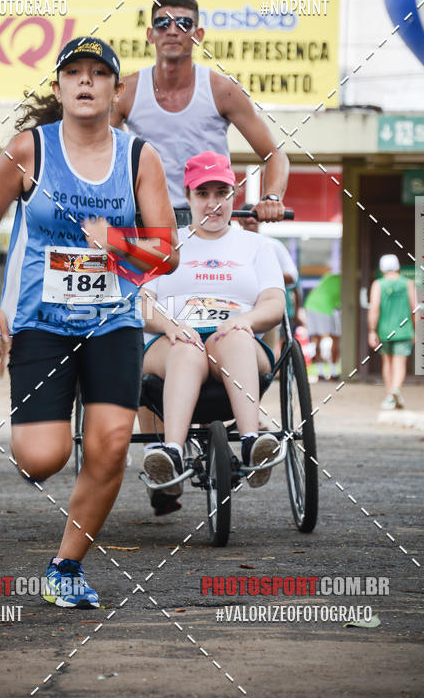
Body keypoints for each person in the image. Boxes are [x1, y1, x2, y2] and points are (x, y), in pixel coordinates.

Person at [0, 37, 178, 609]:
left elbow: (166, 253)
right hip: (42, 321)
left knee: (111, 446)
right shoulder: (27, 150)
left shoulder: (140, 157)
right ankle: (46, 446)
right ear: (60, 88)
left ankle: (67, 564)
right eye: (75, 73)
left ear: (115, 90)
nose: (86, 82)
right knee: (43, 457)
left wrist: (113, 241)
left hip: (113, 322)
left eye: (98, 74)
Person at [139, 151, 285, 516]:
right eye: (203, 193)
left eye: (222, 192)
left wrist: (247, 321)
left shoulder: (258, 246)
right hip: (173, 340)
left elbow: (273, 302)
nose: (214, 203)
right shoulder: (165, 245)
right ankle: (172, 452)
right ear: (188, 198)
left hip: (236, 340)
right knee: (186, 348)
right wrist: (171, 326)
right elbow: (142, 303)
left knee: (234, 335)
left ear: (233, 195)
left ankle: (252, 442)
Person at [110, 0, 289, 224]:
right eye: (162, 23)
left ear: (198, 35)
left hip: (208, 221)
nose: (172, 31)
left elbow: (275, 154)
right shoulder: (126, 91)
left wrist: (271, 197)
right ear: (150, 34)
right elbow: (92, 152)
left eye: (184, 24)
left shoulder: (223, 90)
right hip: (148, 220)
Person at [237, 201, 298, 359]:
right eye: (247, 216)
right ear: (239, 220)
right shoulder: (232, 244)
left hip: (265, 304)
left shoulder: (272, 245)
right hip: (237, 305)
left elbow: (292, 276)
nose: (251, 220)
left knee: (268, 351)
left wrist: (267, 275)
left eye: (254, 216)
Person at [368, 254, 415, 410]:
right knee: (400, 363)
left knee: (387, 362)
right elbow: (415, 308)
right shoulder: (408, 283)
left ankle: (390, 395)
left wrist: (372, 331)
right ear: (398, 266)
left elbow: (374, 308)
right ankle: (395, 391)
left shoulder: (378, 284)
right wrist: (416, 329)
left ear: (382, 268)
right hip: (405, 330)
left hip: (385, 330)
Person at [303, 272, 342, 381]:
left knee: (316, 338)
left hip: (310, 304)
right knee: (336, 337)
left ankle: (320, 373)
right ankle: (334, 374)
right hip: (325, 308)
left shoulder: (330, 276)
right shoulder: (345, 282)